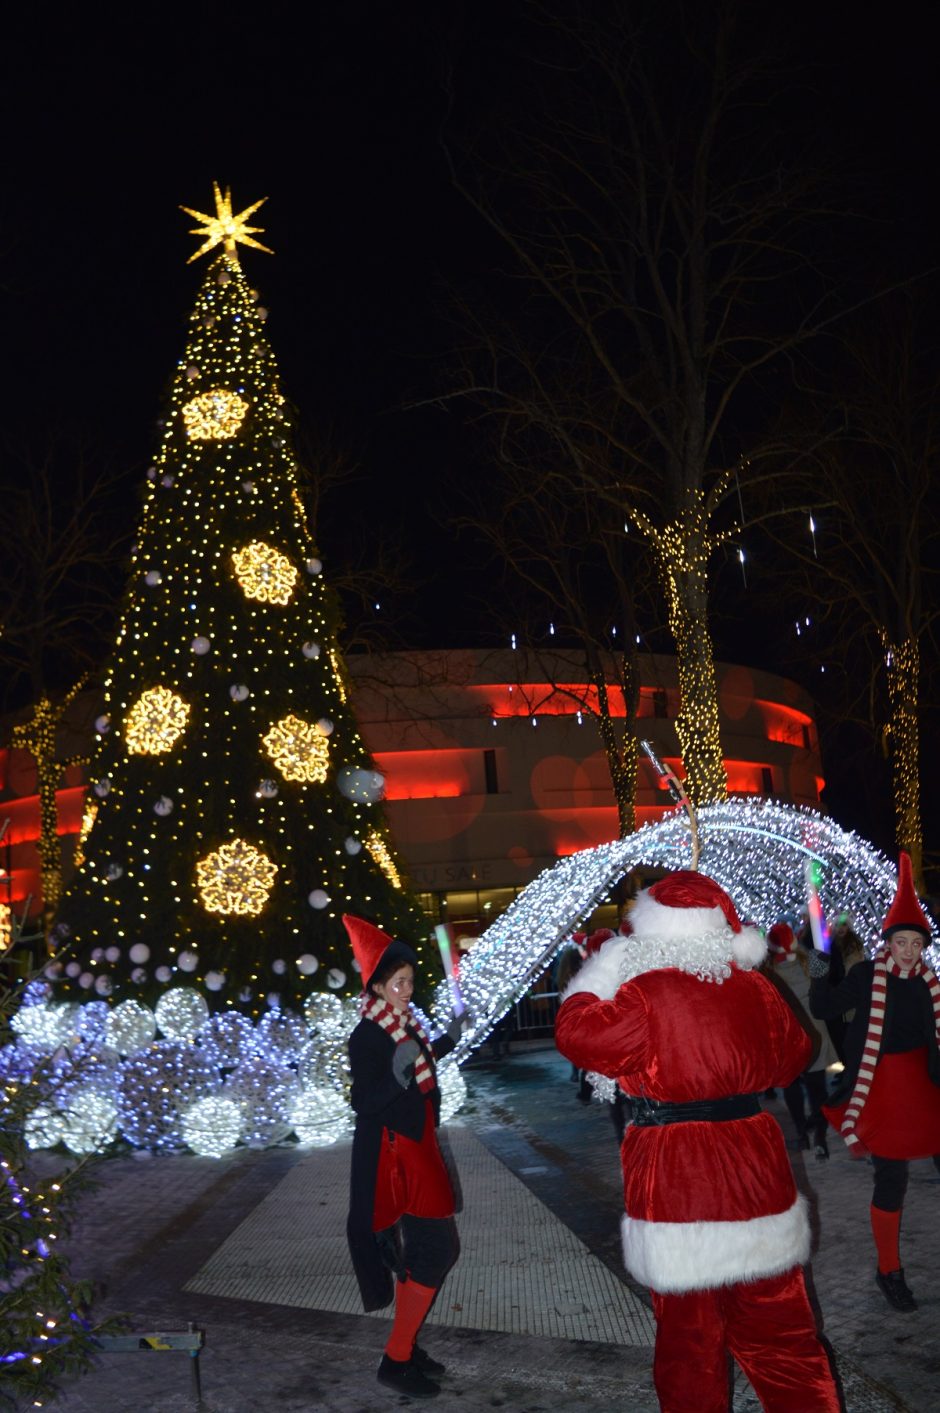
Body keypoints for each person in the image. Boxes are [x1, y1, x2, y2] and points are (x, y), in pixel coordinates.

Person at [555, 869, 839, 1413]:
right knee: (782, 1335)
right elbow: (795, 1054)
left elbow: (579, 1035)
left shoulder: (642, 993)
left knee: (691, 1344)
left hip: (676, 1174)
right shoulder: (755, 986)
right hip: (754, 1167)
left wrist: (597, 975)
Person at [808, 853, 940, 1313]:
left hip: (926, 1086)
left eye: (915, 943)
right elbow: (823, 1008)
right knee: (893, 1179)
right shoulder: (867, 976)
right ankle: (889, 1271)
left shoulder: (929, 982)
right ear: (888, 942)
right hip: (882, 1085)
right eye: (900, 941)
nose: (908, 950)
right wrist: (820, 962)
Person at [344, 914, 466, 1399]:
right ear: (376, 985)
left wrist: (449, 1041)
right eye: (399, 982)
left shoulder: (399, 1024)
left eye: (411, 981)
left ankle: (405, 1346)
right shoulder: (369, 1035)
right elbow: (365, 1101)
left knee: (423, 1253)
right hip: (396, 1158)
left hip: (416, 1147)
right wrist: (395, 1076)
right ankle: (396, 1358)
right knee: (437, 1250)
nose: (407, 990)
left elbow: (417, 1061)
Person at [767, 922, 838, 1160]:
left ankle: (800, 1131)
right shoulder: (810, 963)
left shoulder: (768, 972)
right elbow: (828, 984)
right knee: (818, 1088)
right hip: (815, 1034)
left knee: (792, 1086)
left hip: (788, 1036)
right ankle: (819, 1133)